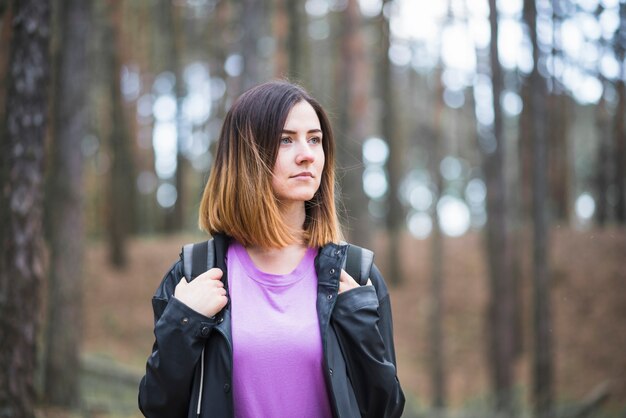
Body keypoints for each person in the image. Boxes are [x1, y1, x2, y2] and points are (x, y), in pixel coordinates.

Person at [138, 81, 405, 418]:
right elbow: (157, 406)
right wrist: (184, 322)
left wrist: (360, 325)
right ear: (247, 155)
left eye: (315, 139)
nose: (307, 153)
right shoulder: (193, 274)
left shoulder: (356, 276)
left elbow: (387, 409)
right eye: (285, 139)